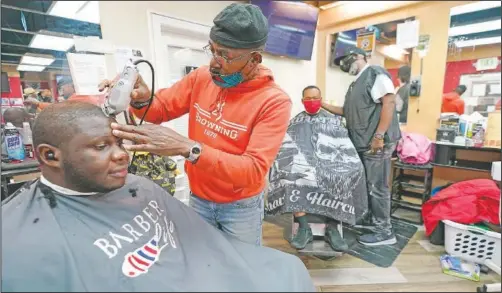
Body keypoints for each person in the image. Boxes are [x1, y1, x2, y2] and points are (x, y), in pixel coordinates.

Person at [1, 101, 314, 292]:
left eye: (120, 143)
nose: (122, 156)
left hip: (198, 274)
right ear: (50, 156)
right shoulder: (19, 240)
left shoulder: (140, 187)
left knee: (286, 270)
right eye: (101, 147)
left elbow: (207, 245)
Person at [99, 3, 291, 246]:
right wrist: (143, 98)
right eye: (212, 51)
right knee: (202, 262)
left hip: (240, 207)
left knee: (240, 271)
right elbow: (160, 110)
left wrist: (188, 148)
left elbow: (251, 171)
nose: (214, 62)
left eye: (226, 55)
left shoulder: (274, 102)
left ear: (254, 59)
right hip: (199, 198)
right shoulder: (201, 78)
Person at [266, 86, 367, 252]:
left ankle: (333, 228)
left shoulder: (333, 121)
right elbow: (287, 147)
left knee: (342, 177)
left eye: (315, 98)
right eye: (308, 99)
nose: (312, 102)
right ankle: (304, 228)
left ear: (321, 99)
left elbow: (343, 146)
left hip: (331, 164)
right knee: (289, 176)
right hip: (305, 165)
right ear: (302, 101)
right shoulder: (295, 122)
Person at [321, 46, 401, 246]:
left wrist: (379, 135)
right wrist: (320, 103)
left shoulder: (375, 73)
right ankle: (372, 221)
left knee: (377, 186)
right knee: (367, 185)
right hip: (362, 143)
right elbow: (346, 112)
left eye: (345, 62)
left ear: (357, 56)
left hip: (376, 142)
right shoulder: (355, 85)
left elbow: (389, 102)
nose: (344, 67)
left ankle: (384, 232)